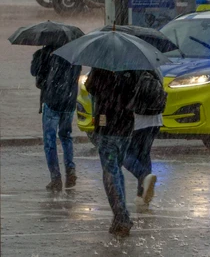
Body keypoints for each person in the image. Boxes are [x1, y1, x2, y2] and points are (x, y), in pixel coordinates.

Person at [85, 68, 139, 237]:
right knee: (116, 171)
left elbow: (90, 87)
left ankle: (122, 217)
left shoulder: (102, 67)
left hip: (108, 127)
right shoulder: (133, 67)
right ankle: (119, 217)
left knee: (110, 173)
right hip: (126, 128)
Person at [31, 46, 82, 192]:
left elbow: (35, 72)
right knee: (66, 136)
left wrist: (39, 55)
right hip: (69, 102)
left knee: (49, 140)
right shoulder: (74, 54)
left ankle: (55, 177)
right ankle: (70, 169)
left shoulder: (47, 54)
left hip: (52, 100)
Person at [124, 69, 163, 210]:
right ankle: (142, 196)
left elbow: (125, 96)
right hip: (156, 119)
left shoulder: (130, 70)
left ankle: (144, 176)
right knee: (144, 154)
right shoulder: (154, 67)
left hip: (137, 120)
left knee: (124, 155)